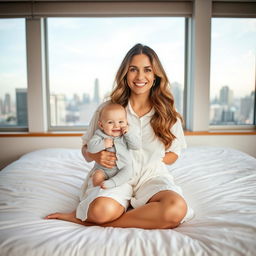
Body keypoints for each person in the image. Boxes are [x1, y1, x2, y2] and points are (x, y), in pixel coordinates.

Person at [45, 43, 194, 229]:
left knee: (175, 208)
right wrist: (95, 155)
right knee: (100, 211)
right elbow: (85, 149)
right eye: (133, 69)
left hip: (151, 177)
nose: (140, 76)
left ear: (155, 75)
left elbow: (175, 153)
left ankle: (86, 220)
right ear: (125, 73)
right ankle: (120, 215)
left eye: (147, 70)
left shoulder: (168, 113)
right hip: (113, 176)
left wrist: (154, 158)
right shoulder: (107, 109)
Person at [85, 103, 140, 189]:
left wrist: (128, 134)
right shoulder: (99, 135)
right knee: (96, 176)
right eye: (110, 122)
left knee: (129, 171)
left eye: (121, 122)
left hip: (122, 167)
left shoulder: (125, 135)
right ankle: (99, 188)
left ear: (126, 122)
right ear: (101, 125)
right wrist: (103, 143)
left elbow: (136, 146)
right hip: (103, 169)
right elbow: (90, 148)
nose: (116, 126)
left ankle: (112, 183)